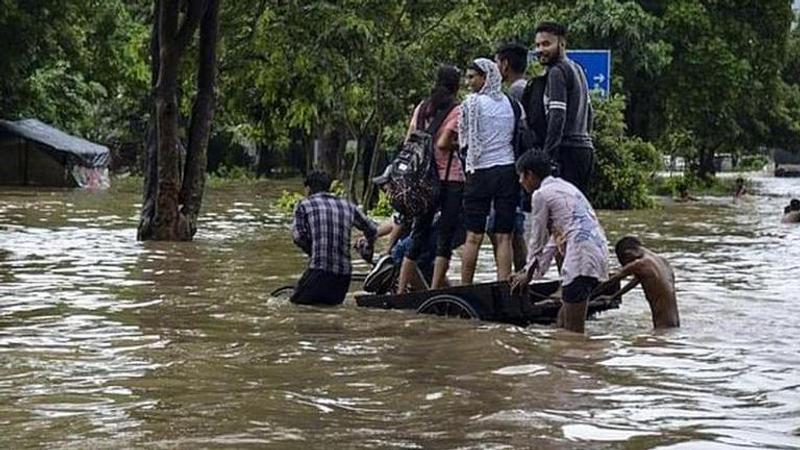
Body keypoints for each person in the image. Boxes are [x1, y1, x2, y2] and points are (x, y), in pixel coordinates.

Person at [510, 150, 609, 333]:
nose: (520, 182)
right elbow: (554, 241)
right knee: (562, 322)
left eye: (521, 176)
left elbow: (537, 239)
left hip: (580, 259)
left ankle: (576, 361)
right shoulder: (565, 187)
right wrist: (530, 270)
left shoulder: (541, 195)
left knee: (573, 335)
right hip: (597, 253)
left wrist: (528, 273)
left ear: (530, 174)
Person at [396, 65, 465, 292]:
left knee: (418, 235)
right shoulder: (458, 110)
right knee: (444, 239)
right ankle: (435, 291)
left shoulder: (421, 109)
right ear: (457, 87)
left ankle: (401, 289)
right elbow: (443, 143)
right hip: (450, 179)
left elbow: (408, 141)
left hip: (422, 180)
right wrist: (462, 144)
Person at [459, 58, 519, 285]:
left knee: (473, 236)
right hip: (507, 171)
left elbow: (464, 141)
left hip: (480, 172)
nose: (468, 82)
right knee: (504, 236)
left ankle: (465, 287)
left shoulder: (471, 104)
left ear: (485, 77)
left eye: (472, 77)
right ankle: (504, 285)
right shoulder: (512, 103)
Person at [290, 171, 377, 305]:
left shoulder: (304, 205)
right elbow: (372, 229)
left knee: (295, 307)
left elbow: (298, 237)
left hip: (319, 270)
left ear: (308, 189)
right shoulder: (347, 205)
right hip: (343, 277)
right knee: (330, 309)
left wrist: (313, 252)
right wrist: (368, 249)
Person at [534, 21, 595, 196]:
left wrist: (547, 157)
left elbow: (557, 116)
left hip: (566, 151)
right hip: (585, 149)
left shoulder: (557, 71)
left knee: (562, 215)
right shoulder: (577, 69)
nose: (540, 49)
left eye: (546, 44)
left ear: (562, 44)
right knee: (577, 212)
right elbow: (590, 113)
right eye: (537, 45)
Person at [492, 42, 532, 271]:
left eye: (497, 62)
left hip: (513, 168)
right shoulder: (526, 87)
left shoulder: (515, 92)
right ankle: (520, 275)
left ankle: (515, 278)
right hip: (520, 167)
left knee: (509, 230)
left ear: (505, 64)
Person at [594, 236, 680, 329]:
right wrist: (613, 297)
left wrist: (584, 297)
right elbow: (638, 279)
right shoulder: (661, 261)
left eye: (625, 264)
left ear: (628, 254)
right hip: (674, 324)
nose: (628, 266)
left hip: (662, 328)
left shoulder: (640, 264)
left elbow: (611, 281)